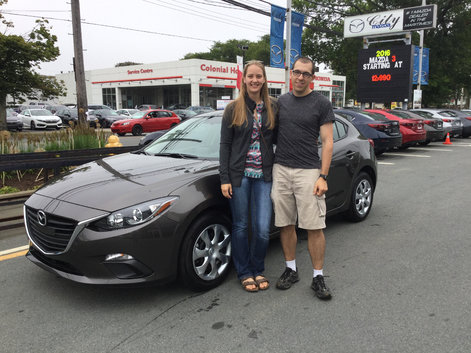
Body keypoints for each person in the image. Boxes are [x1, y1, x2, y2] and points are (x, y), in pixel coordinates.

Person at [271, 56, 335, 300]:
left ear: (312, 78)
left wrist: (323, 176)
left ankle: (318, 276)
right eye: (297, 72)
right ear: (291, 74)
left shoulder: (321, 103)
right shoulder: (281, 103)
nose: (300, 77)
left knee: (314, 226)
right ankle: (291, 269)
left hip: (309, 171)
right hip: (281, 169)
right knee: (285, 223)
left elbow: (328, 141)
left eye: (305, 74)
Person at [219, 60, 276, 292]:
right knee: (241, 226)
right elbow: (225, 145)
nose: (254, 80)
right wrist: (224, 178)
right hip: (238, 176)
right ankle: (244, 272)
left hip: (264, 176)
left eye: (258, 76)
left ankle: (258, 268)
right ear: (244, 79)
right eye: (250, 76)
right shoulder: (233, 108)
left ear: (264, 79)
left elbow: (281, 138)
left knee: (262, 227)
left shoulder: (273, 106)